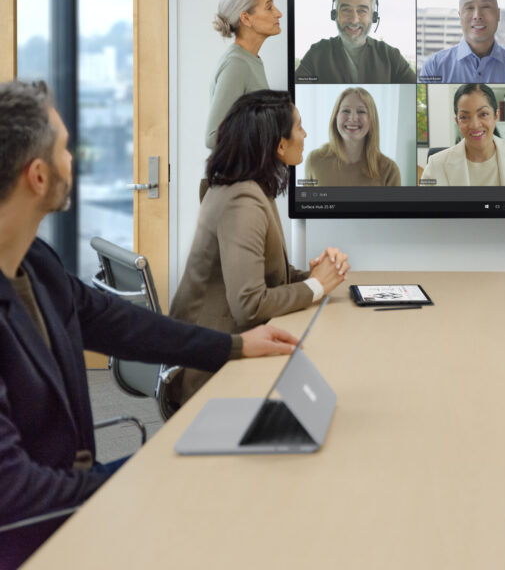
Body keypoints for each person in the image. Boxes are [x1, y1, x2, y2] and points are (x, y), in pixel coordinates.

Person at [0, 80, 299, 567]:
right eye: (65, 150)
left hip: (76, 509)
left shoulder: (36, 264)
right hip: (35, 541)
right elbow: (14, 494)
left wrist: (235, 346)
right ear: (37, 176)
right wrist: (159, 472)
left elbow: (123, 325)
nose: (73, 160)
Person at [172, 90, 350, 402]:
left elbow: (264, 276)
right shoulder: (242, 201)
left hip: (221, 346)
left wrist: (312, 276)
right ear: (280, 145)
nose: (305, 134)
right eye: (299, 127)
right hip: (208, 370)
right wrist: (316, 286)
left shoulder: (247, 188)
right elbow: (249, 305)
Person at [295, 0, 415, 83]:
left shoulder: (391, 56)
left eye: (362, 11)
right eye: (346, 10)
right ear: (335, 14)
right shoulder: (316, 53)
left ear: (373, 16)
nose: (354, 20)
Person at [205, 0, 278, 149]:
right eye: (269, 8)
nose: (278, 14)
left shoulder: (252, 60)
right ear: (246, 18)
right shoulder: (237, 64)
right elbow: (212, 137)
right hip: (236, 175)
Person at [420, 83, 505, 186]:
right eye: (464, 117)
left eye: (483, 114)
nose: (475, 125)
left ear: (496, 116)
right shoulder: (436, 165)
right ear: (457, 122)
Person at [418, 0, 505, 83]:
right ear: (460, 17)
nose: (477, 15)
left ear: (498, 15)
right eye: (469, 8)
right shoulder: (433, 67)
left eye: (485, 7)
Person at [304, 87, 401, 187]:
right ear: (335, 116)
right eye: (346, 110)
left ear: (372, 120)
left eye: (361, 111)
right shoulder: (313, 161)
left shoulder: (390, 171)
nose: (353, 118)